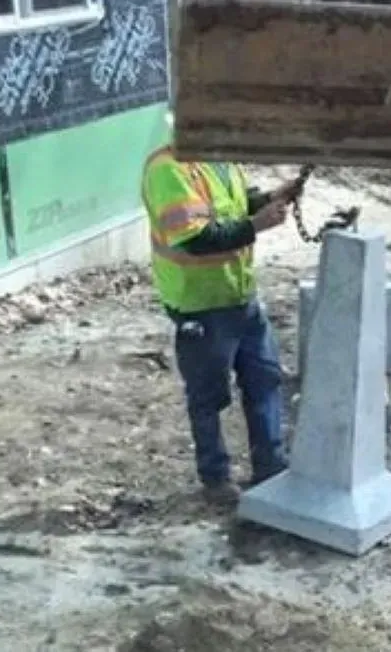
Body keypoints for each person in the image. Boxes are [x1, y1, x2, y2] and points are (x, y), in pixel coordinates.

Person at [140, 131, 304, 506]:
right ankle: (215, 478)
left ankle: (271, 467)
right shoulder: (168, 169)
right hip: (200, 305)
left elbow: (232, 206)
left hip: (240, 295)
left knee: (265, 379)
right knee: (209, 396)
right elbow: (195, 238)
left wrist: (270, 198)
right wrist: (257, 225)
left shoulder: (220, 159)